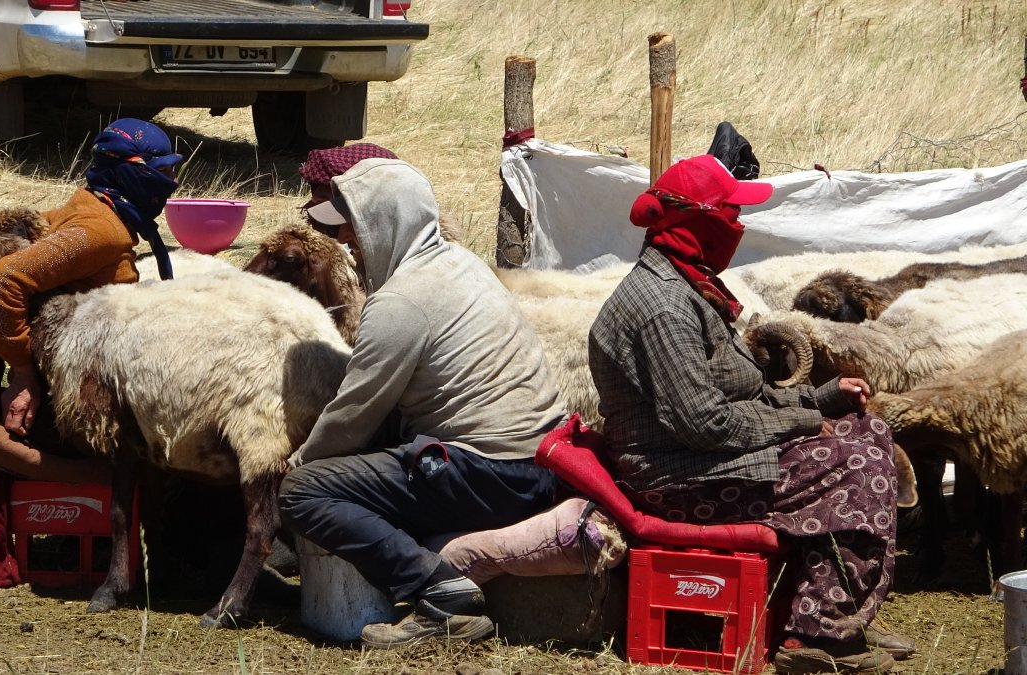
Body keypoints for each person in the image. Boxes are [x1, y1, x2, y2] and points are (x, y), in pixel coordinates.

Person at [588, 154, 915, 673]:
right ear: (701, 221)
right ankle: (816, 636)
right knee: (855, 469)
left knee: (868, 430)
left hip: (702, 458)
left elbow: (741, 397)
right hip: (678, 478)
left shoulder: (688, 285)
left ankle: (845, 611)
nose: (739, 226)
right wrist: (803, 421)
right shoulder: (664, 308)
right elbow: (703, 422)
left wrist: (820, 398)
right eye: (731, 214)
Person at [277, 157, 566, 648]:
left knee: (304, 491)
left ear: (383, 226)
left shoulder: (401, 303)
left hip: (491, 472)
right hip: (536, 463)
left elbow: (352, 416)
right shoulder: (461, 264)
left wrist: (297, 463)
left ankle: (441, 593)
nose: (348, 247)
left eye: (353, 233)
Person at [0, 118, 183, 483]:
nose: (173, 181)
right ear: (131, 174)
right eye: (163, 170)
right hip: (76, 391)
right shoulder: (101, 229)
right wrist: (23, 377)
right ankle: (96, 479)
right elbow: (2, 280)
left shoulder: (89, 207)